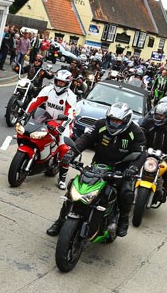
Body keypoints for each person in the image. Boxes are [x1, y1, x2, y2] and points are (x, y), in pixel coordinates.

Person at [47, 102, 146, 239]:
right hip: (98, 166)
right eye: (112, 120)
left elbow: (141, 153)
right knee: (74, 187)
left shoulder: (136, 132)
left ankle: (123, 221)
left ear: (126, 121)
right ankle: (60, 222)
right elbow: (86, 138)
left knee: (126, 192)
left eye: (118, 121)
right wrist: (72, 152)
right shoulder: (100, 125)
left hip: (121, 171)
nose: (114, 124)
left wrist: (133, 168)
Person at [22, 68, 78, 189]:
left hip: (63, 123)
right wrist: (25, 114)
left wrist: (62, 127)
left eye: (63, 82)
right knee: (28, 132)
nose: (60, 84)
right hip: (46, 118)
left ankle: (62, 178)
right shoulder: (48, 89)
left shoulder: (71, 96)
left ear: (67, 83)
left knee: (64, 149)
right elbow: (35, 101)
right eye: (58, 81)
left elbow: (69, 113)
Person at [139, 101, 167, 197]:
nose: (158, 117)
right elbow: (140, 132)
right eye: (157, 115)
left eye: (161, 116)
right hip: (145, 151)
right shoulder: (148, 122)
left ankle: (164, 189)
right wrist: (138, 144)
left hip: (164, 155)